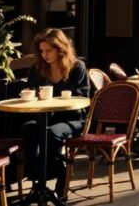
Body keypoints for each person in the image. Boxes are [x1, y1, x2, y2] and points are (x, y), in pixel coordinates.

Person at [22, 28, 89, 192]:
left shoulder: (76, 67)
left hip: (72, 118)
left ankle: (60, 173)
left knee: (51, 133)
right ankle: (37, 181)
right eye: (42, 51)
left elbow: (83, 97)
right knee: (29, 129)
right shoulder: (38, 68)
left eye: (49, 50)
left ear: (61, 48)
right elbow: (31, 90)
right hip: (45, 115)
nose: (45, 55)